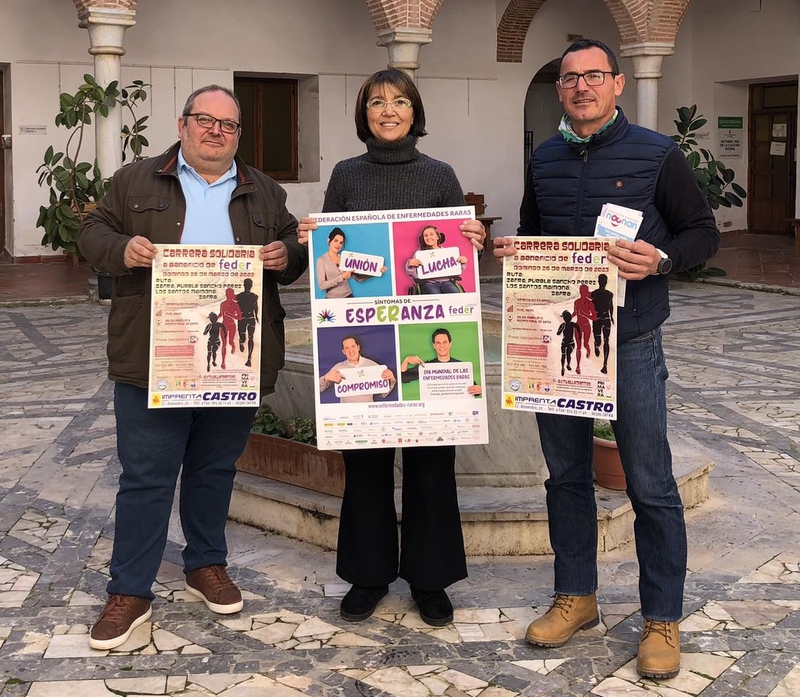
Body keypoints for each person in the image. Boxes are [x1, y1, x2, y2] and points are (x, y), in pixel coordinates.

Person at [493, 39, 719, 679]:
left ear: (618, 84)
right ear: (559, 88)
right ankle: (577, 597)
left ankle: (661, 620)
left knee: (650, 483)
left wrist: (663, 258)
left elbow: (702, 231)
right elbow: (537, 235)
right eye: (570, 79)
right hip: (558, 346)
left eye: (594, 76)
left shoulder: (657, 153)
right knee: (565, 477)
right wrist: (517, 253)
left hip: (632, 343)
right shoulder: (544, 158)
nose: (582, 87)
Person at [78, 84, 308, 651]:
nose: (215, 132)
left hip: (234, 359)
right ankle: (129, 590)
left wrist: (287, 256)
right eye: (205, 121)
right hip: (154, 356)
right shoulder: (135, 181)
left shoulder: (266, 192)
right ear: (182, 125)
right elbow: (90, 231)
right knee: (147, 476)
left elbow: (294, 248)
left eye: (227, 125)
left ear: (236, 135)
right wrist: (121, 249)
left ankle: (205, 563)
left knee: (213, 469)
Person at [297, 69, 486, 627]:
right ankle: (368, 575)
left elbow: (458, 261)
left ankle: (430, 580)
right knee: (367, 462)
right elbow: (333, 253)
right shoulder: (346, 175)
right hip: (364, 326)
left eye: (399, 101)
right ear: (364, 113)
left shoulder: (441, 175)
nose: (388, 110)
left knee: (432, 463)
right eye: (377, 102)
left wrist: (472, 241)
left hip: (428, 324)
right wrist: (313, 239)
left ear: (414, 111)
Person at [400, 327, 482, 396]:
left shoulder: (460, 366)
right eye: (438, 343)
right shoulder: (426, 367)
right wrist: (406, 360)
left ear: (450, 344)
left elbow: (475, 390)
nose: (442, 346)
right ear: (434, 345)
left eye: (445, 342)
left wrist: (479, 389)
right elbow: (403, 378)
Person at [319, 334, 396, 403]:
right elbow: (318, 389)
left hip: (368, 413)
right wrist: (326, 378)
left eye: (353, 346)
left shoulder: (373, 366)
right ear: (343, 352)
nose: (351, 350)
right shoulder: (339, 368)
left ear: (358, 347)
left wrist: (392, 380)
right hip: (346, 413)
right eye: (347, 348)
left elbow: (383, 394)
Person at [316, 227, 386, 298]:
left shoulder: (345, 258)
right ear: (329, 240)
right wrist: (341, 277)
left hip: (349, 296)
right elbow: (322, 285)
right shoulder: (321, 260)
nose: (338, 245)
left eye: (341, 242)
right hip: (332, 300)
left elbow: (359, 278)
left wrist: (377, 271)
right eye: (335, 240)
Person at [405, 224, 467, 294]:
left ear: (437, 237)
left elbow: (456, 270)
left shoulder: (447, 253)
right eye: (425, 235)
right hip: (428, 283)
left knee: (454, 292)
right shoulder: (420, 253)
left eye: (431, 234)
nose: (428, 237)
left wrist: (462, 262)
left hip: (446, 281)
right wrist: (410, 265)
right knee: (434, 293)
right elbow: (415, 275)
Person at [591, 273, 614, 374]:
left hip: (606, 318)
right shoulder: (594, 294)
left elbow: (611, 306)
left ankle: (605, 364)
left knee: (606, 340)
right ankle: (596, 345)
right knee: (599, 340)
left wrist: (612, 316)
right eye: (602, 281)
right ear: (599, 282)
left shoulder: (610, 294)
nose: (603, 283)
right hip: (597, 318)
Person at [236, 278, 259, 368]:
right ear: (245, 285)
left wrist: (256, 316)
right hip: (242, 318)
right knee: (243, 338)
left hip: (250, 318)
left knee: (251, 337)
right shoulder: (239, 296)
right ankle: (241, 342)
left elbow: (255, 307)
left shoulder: (254, 296)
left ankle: (249, 358)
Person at [572, 284, 596, 360]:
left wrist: (584, 314)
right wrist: (569, 317)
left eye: (584, 291)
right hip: (578, 325)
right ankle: (578, 366)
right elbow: (575, 312)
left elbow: (594, 317)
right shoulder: (576, 302)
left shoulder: (590, 303)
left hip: (586, 326)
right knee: (578, 346)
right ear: (579, 292)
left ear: (586, 292)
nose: (582, 293)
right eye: (581, 291)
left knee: (585, 344)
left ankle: (588, 349)